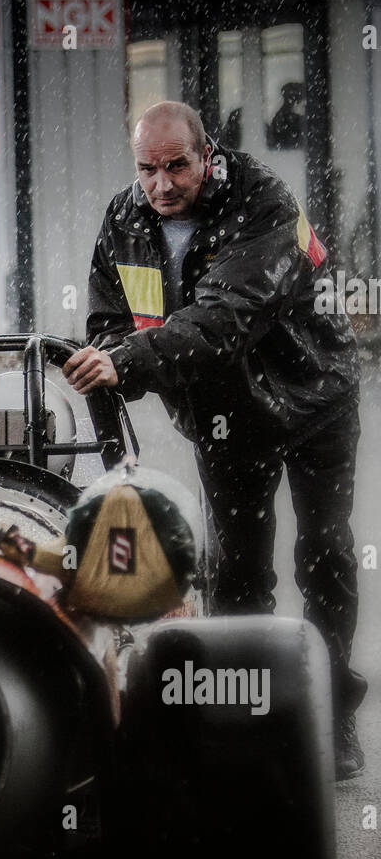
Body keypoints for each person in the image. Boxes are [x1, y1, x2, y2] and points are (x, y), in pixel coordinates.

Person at [64, 100, 365, 779]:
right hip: (225, 417)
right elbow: (108, 321)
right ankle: (249, 712)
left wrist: (131, 359)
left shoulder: (263, 204)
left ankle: (333, 715)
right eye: (148, 169)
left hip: (313, 398)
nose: (162, 184)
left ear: (209, 155)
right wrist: (109, 358)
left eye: (177, 166)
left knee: (323, 556)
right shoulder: (124, 219)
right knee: (237, 571)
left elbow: (224, 317)